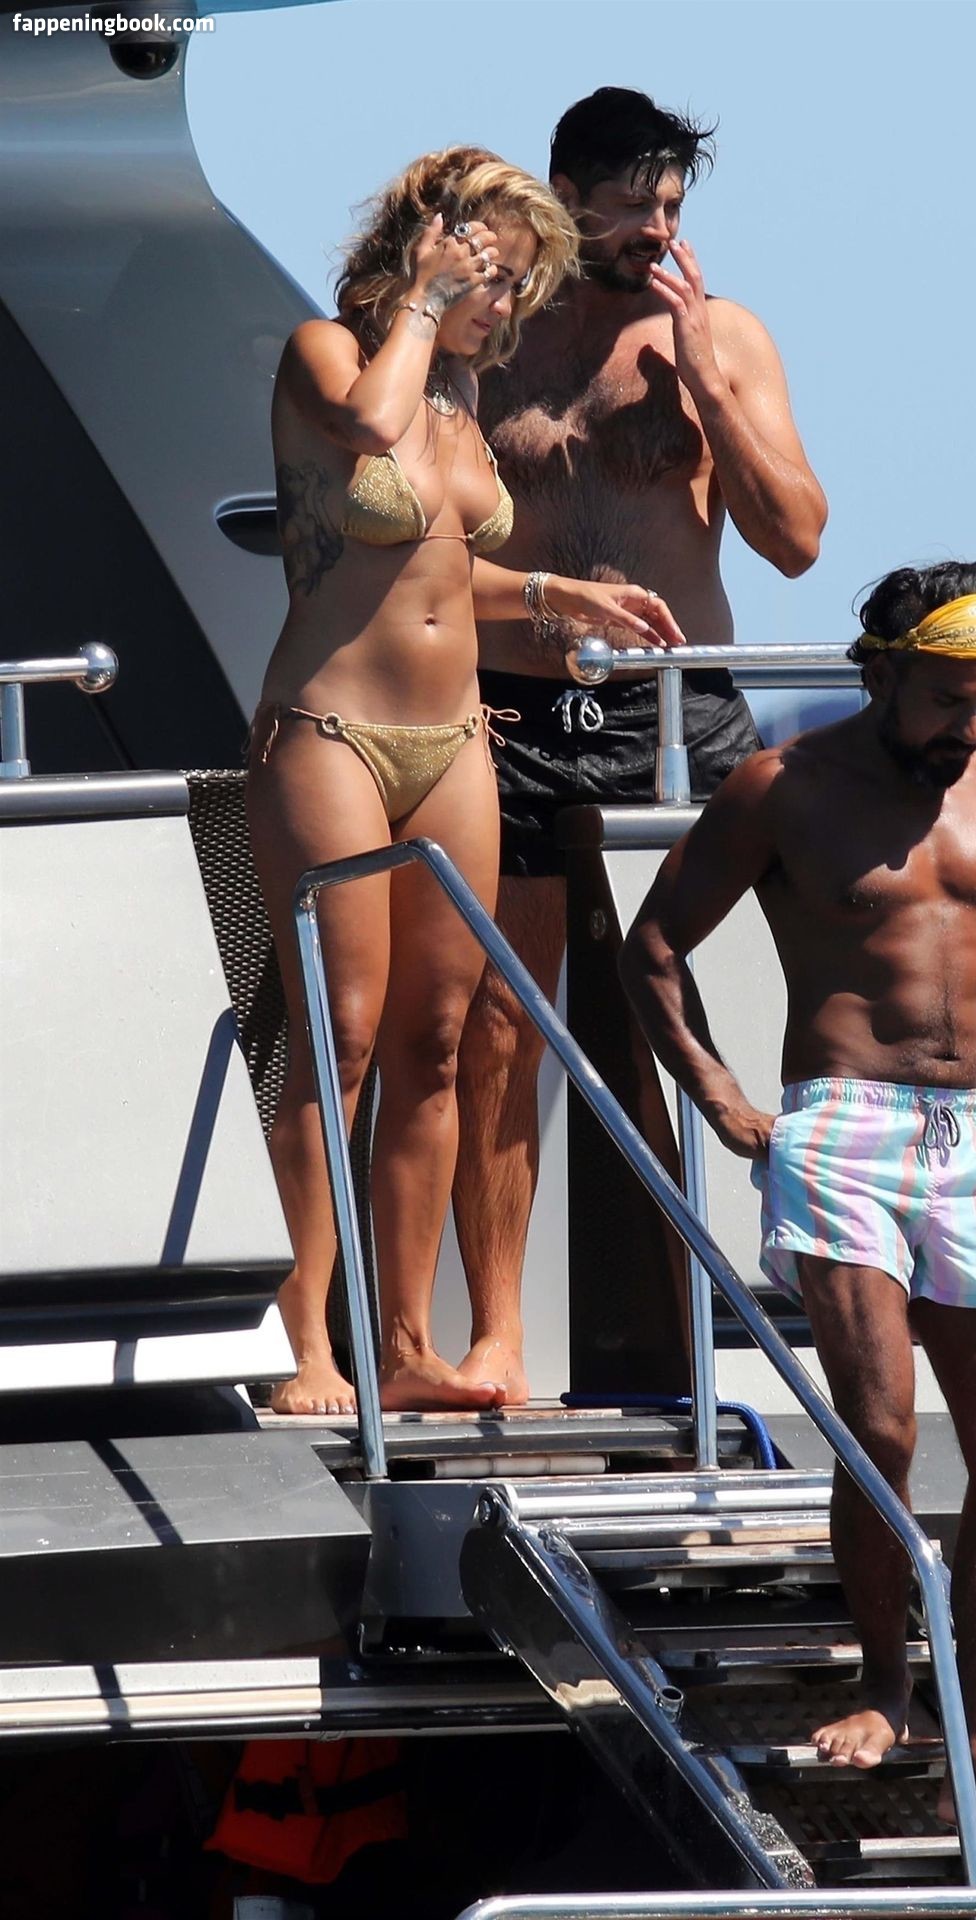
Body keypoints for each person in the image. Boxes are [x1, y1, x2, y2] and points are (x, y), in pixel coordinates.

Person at [618, 561, 976, 1846]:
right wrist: (723, 1098)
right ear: (883, 670)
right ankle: (886, 1684)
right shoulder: (780, 787)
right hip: (842, 1128)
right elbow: (654, 946)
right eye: (948, 698)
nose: (971, 723)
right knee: (883, 1429)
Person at [249, 146, 684, 1418]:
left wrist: (555, 592)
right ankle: (304, 1343)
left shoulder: (458, 395)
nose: (506, 307)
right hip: (331, 730)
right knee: (341, 1032)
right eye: (494, 276)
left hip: (455, 741)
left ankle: (404, 1345)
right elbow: (367, 435)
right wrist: (427, 300)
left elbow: (442, 566)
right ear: (429, 251)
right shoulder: (331, 356)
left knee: (437, 1043)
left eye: (518, 284)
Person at [453, 88, 828, 1404]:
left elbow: (797, 541)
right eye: (629, 204)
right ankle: (499, 1335)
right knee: (502, 1023)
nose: (655, 228)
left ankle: (808, 1278)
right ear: (561, 193)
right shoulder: (492, 337)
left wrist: (709, 380)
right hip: (511, 711)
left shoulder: (719, 335)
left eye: (671, 204)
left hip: (679, 714)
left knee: (780, 989)